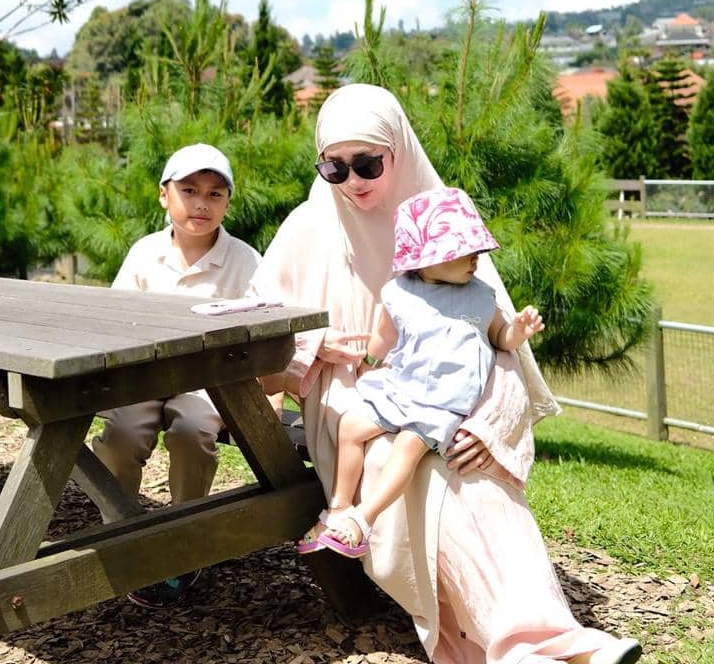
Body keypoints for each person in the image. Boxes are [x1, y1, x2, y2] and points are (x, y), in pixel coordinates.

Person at [255, 84, 642, 664]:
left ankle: (544, 643)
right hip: (354, 406)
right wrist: (314, 345)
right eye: (334, 165)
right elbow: (254, 348)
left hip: (451, 405)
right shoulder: (307, 229)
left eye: (368, 163)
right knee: (418, 475)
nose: (353, 180)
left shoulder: (446, 223)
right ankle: (517, 647)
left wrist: (490, 426)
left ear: (400, 152)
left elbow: (500, 347)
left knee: (476, 480)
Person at [303, 186, 544, 559]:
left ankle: (363, 520)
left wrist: (519, 331)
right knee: (350, 425)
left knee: (408, 448)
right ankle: (339, 506)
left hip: (443, 402)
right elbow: (383, 339)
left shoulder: (480, 295)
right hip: (403, 388)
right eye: (463, 252)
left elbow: (501, 336)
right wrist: (366, 363)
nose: (475, 260)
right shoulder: (399, 293)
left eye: (477, 251)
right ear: (423, 260)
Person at [92, 142, 261, 608]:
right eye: (189, 190)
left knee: (192, 430)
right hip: (145, 378)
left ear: (228, 202)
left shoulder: (245, 261)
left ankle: (185, 539)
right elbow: (116, 319)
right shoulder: (145, 254)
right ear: (164, 195)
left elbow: (262, 333)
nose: (201, 204)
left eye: (215, 193)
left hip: (210, 384)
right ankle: (122, 528)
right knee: (123, 433)